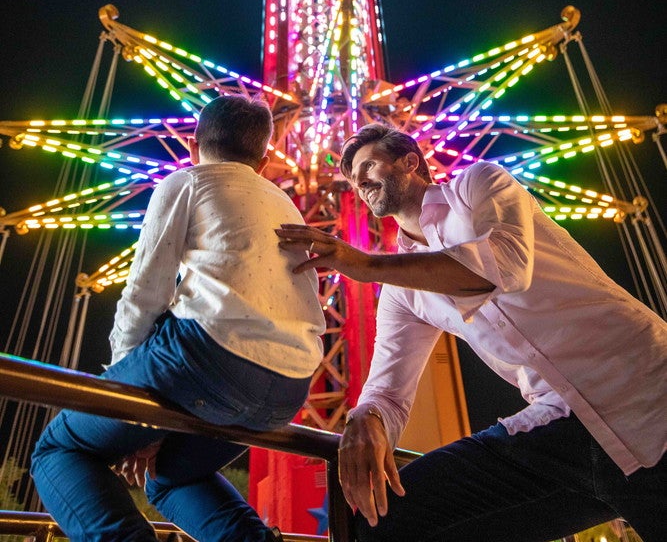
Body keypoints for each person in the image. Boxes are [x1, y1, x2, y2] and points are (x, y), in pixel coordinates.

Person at [276, 123, 667, 542]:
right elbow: (387, 392)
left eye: (368, 165)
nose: (360, 181)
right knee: (385, 526)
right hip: (560, 428)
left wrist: (366, 265)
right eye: (353, 177)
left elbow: (506, 266)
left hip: (642, 389)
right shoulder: (401, 293)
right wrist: (365, 419)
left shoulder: (479, 183)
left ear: (410, 162)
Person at [32, 94, 325, 542]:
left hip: (205, 355)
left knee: (58, 449)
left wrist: (130, 402)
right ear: (264, 161)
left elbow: (145, 293)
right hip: (290, 386)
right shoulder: (285, 202)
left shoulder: (187, 182)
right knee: (169, 477)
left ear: (192, 146)